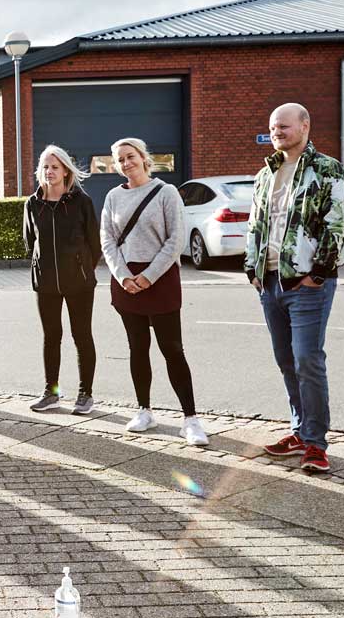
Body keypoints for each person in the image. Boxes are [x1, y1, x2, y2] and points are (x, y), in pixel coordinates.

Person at [246, 103, 344, 472]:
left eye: (284, 126)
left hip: (308, 284)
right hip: (269, 281)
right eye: (273, 127)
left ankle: (315, 443)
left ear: (305, 126)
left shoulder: (328, 169)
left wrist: (318, 273)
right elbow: (255, 224)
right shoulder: (266, 173)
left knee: (307, 359)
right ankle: (300, 430)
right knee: (286, 360)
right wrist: (252, 269)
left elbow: (339, 223)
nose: (277, 132)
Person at [100, 138, 207, 445]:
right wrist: (124, 276)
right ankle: (144, 411)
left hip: (160, 279)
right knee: (137, 348)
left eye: (130, 156)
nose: (126, 163)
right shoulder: (112, 196)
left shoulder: (166, 192)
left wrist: (147, 277)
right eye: (120, 159)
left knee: (172, 349)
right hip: (126, 282)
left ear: (143, 157)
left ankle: (191, 420)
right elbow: (107, 240)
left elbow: (175, 240)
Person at [23, 145, 100, 414]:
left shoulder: (82, 202)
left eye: (55, 167)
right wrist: (41, 267)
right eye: (45, 167)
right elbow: (30, 242)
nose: (49, 171)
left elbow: (94, 243)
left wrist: (81, 268)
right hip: (45, 284)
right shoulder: (33, 204)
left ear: (66, 170)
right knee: (51, 337)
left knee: (82, 336)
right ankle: (51, 392)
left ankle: (85, 394)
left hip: (79, 283)